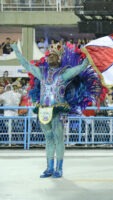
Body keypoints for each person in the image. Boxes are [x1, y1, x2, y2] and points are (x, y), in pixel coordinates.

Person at [11, 42, 101, 178]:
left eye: (53, 55)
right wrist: (16, 50)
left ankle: (59, 169)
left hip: (58, 111)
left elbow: (82, 67)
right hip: (43, 111)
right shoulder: (41, 73)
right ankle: (49, 168)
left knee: (58, 138)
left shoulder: (63, 74)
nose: (50, 57)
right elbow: (26, 65)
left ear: (59, 58)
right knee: (48, 139)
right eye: (49, 55)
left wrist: (89, 53)